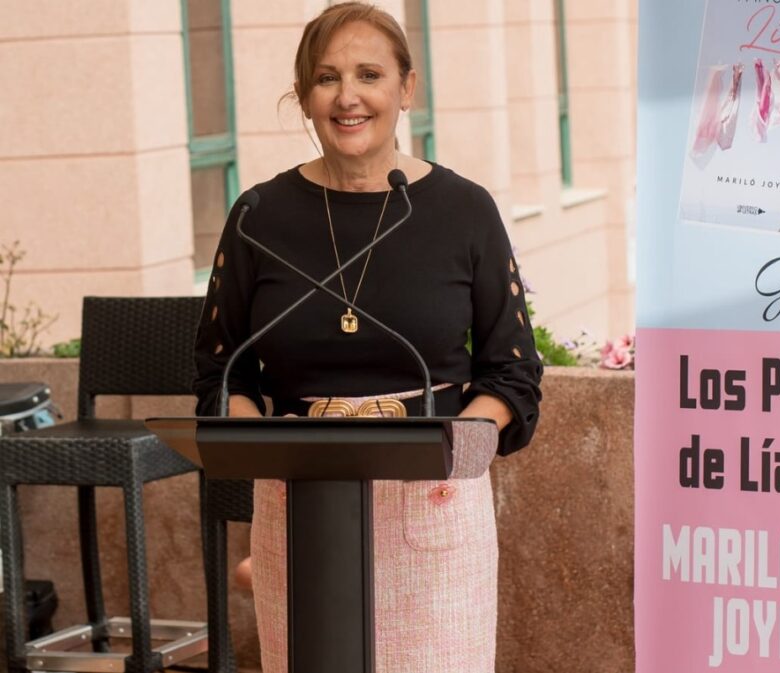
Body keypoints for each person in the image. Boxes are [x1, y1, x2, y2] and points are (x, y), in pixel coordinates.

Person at [192, 3, 543, 671]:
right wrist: (258, 447)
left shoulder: (465, 209)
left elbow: (514, 369)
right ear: (303, 95)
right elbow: (220, 369)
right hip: (300, 502)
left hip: (434, 499)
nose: (347, 96)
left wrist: (459, 449)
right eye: (326, 77)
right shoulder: (258, 216)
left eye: (369, 74)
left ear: (406, 88)